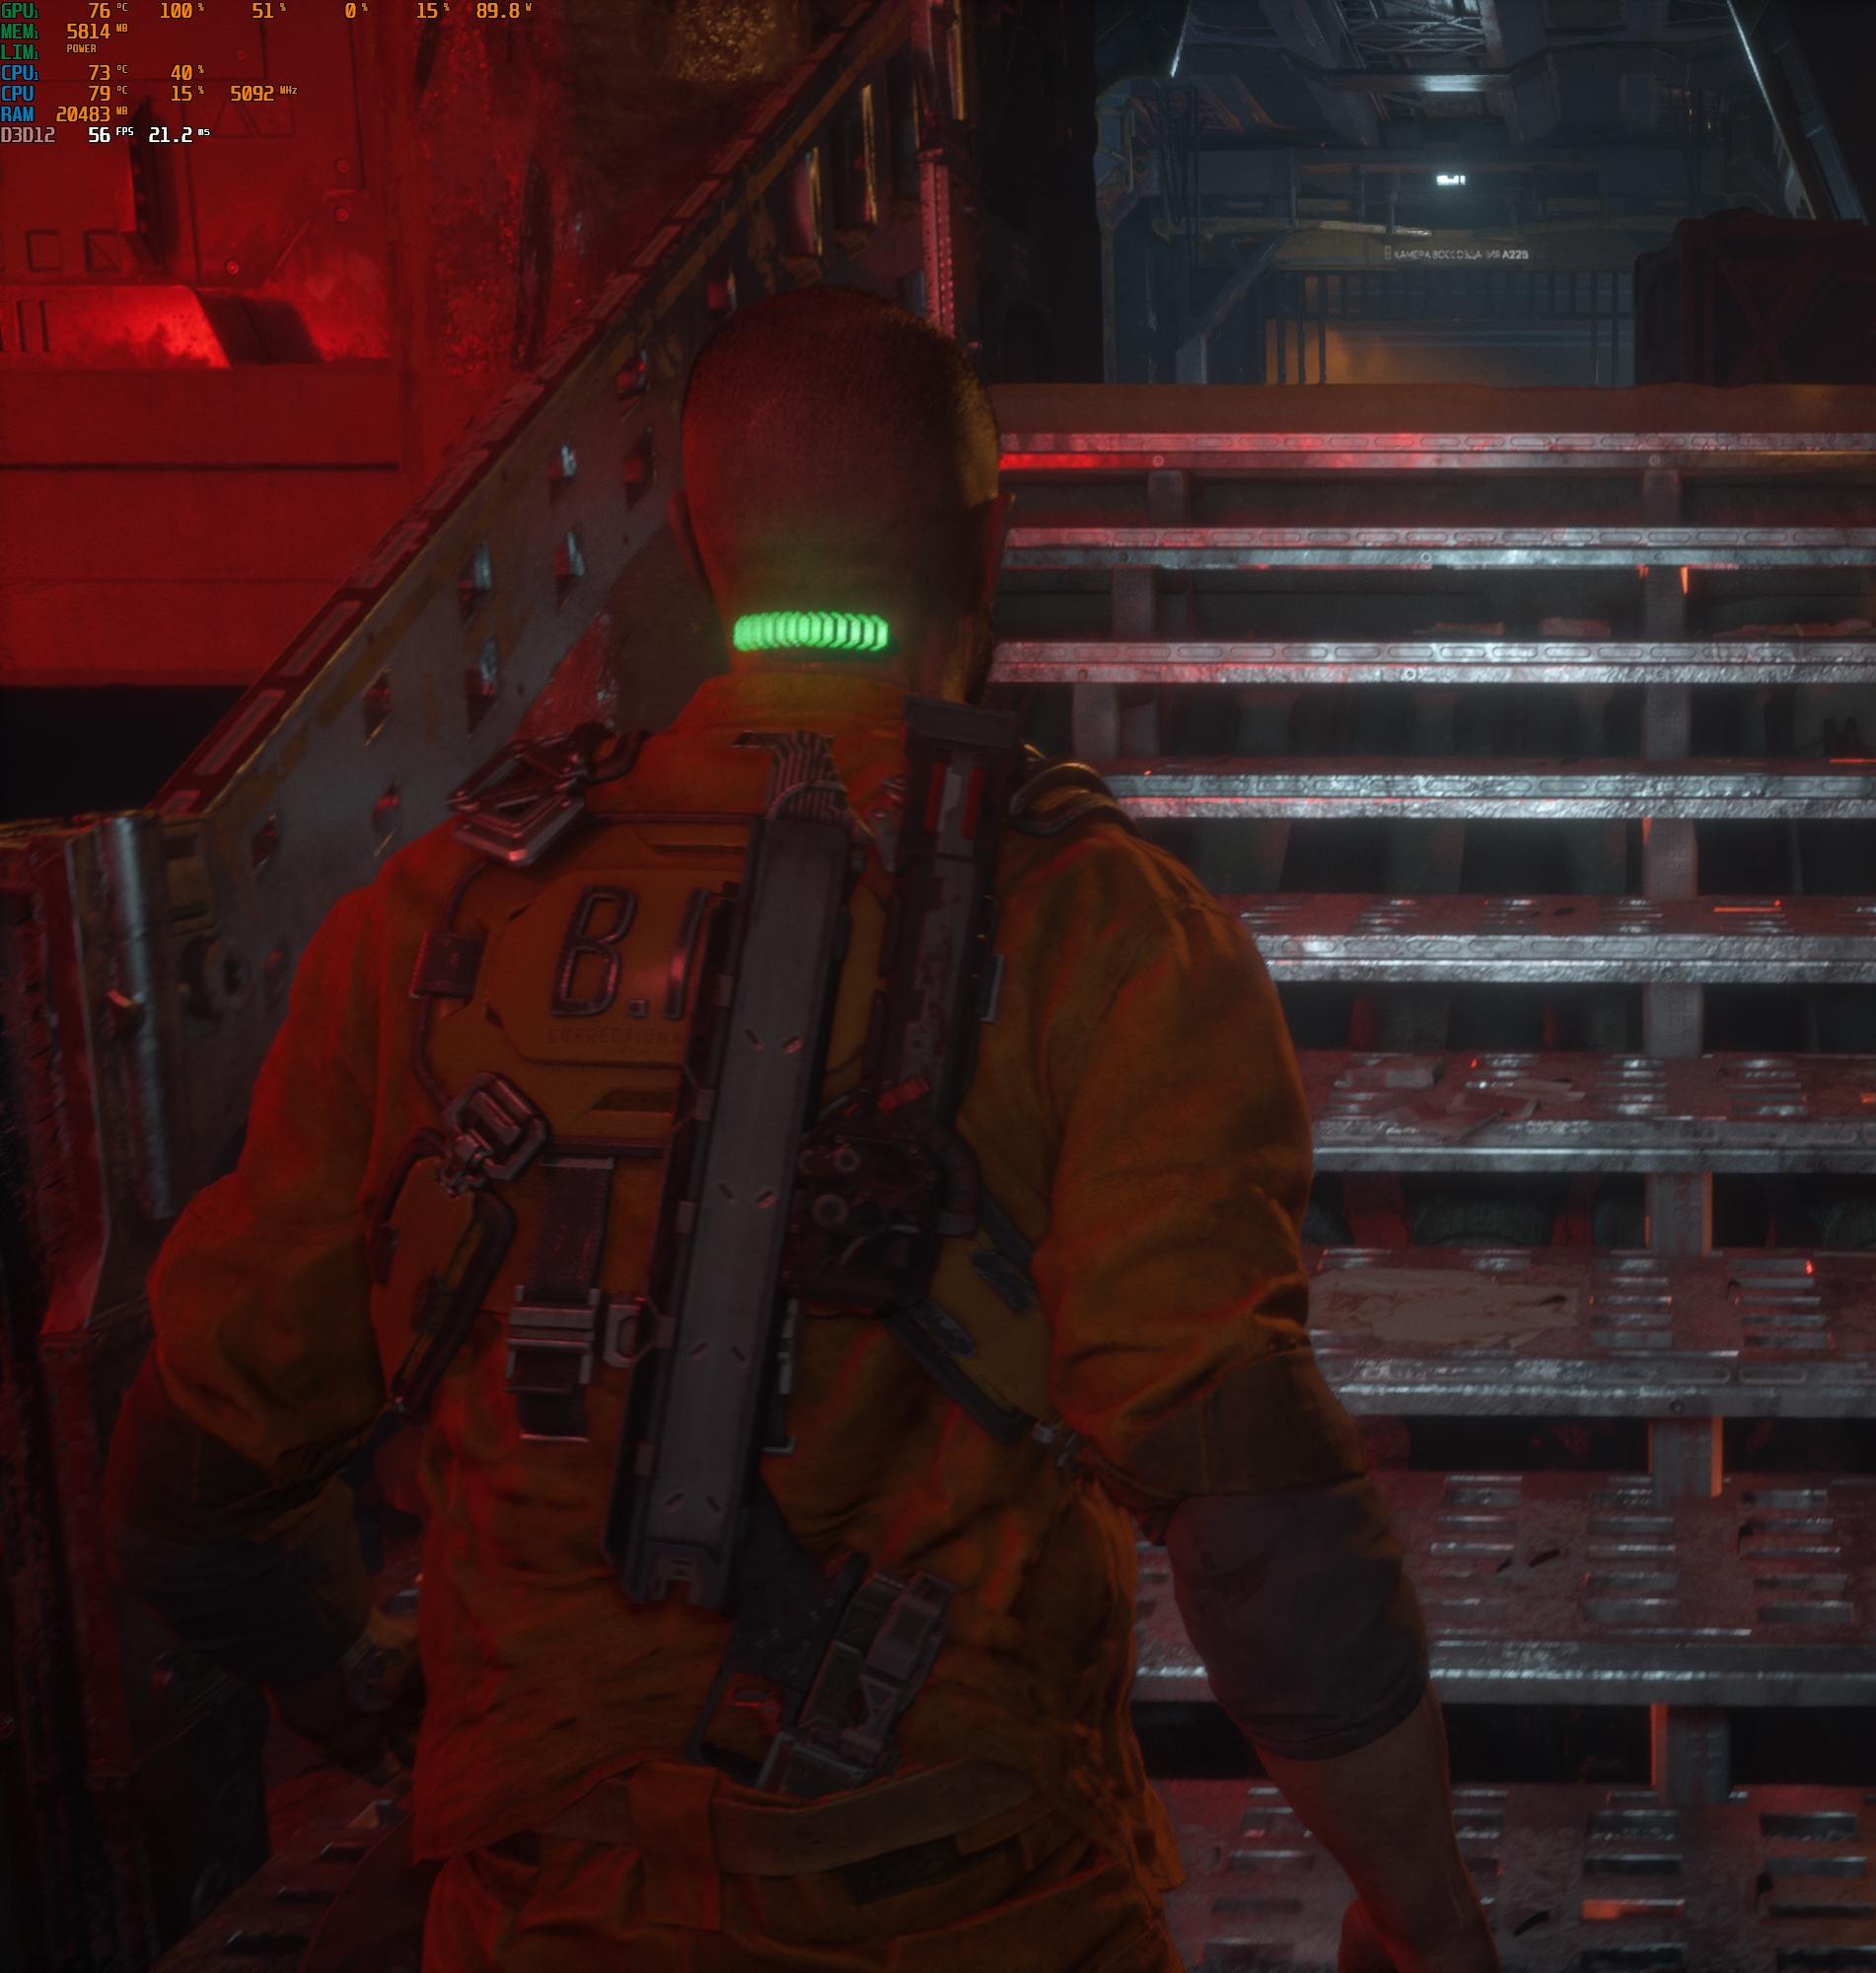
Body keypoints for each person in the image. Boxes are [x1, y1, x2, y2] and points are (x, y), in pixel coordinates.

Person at [105, 285, 1501, 1973]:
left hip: (549, 1911)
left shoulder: (421, 926)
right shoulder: (1112, 934)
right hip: (983, 1911)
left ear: (702, 555)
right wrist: (1422, 1915)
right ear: (987, 551)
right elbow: (1253, 1522)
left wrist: (374, 1707)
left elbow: (191, 1483)